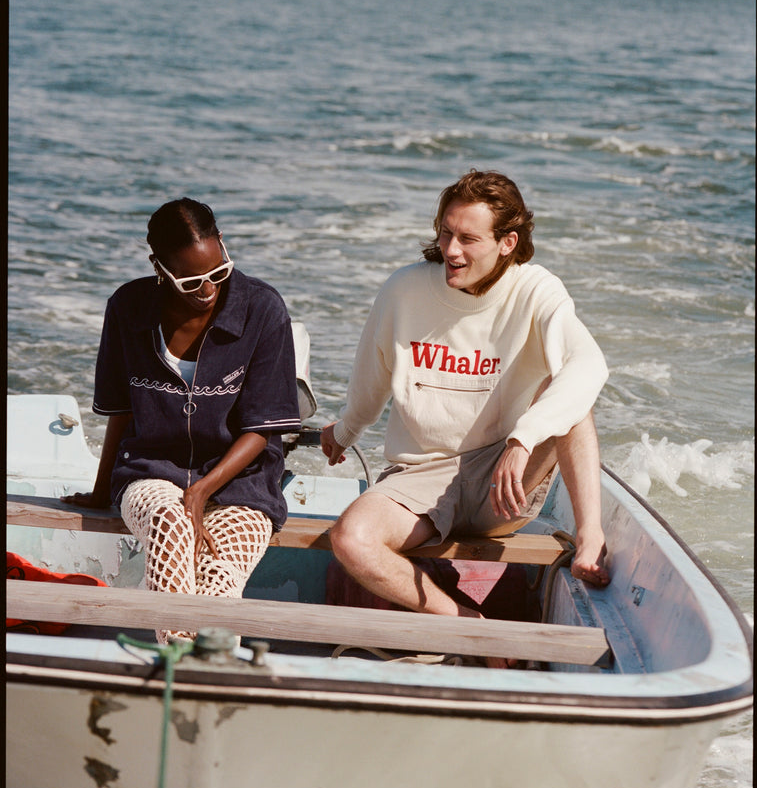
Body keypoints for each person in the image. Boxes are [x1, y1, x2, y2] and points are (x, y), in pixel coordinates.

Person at [321, 170, 610, 635]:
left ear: (507, 242)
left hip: (504, 479)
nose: (451, 250)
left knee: (571, 396)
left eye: (468, 239)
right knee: (350, 539)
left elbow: (590, 366)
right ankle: (466, 623)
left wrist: (522, 439)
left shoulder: (535, 289)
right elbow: (370, 379)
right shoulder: (403, 290)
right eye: (445, 232)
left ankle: (590, 537)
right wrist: (345, 432)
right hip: (418, 480)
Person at [63, 198, 301, 643]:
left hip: (243, 484)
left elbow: (264, 429)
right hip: (151, 470)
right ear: (159, 266)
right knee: (169, 522)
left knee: (217, 579)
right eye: (191, 280)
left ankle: (187, 673)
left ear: (223, 245)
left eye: (219, 271)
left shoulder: (262, 309)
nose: (208, 289)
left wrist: (202, 490)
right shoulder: (128, 308)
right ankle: (180, 663)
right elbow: (121, 412)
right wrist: (100, 493)